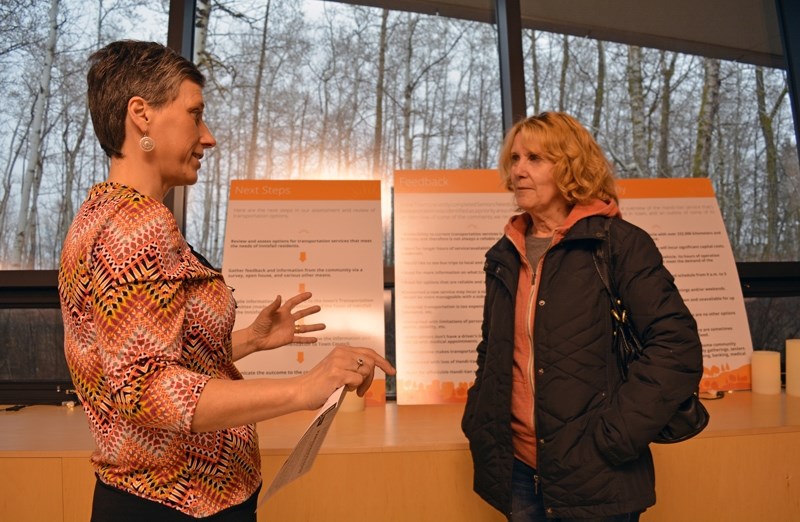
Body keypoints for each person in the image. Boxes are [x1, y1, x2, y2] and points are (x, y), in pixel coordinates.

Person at [58, 40, 395, 521]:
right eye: (195, 114)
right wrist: (304, 388)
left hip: (157, 498)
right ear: (142, 115)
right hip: (177, 505)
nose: (208, 136)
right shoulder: (137, 226)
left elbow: (136, 356)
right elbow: (146, 387)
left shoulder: (100, 215)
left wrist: (251, 340)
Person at [461, 112, 703, 521]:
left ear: (571, 167)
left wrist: (615, 436)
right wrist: (479, 420)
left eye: (535, 159)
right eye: (515, 158)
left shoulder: (619, 245)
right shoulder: (503, 254)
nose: (518, 170)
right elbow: (495, 350)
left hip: (597, 472)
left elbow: (677, 346)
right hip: (518, 469)